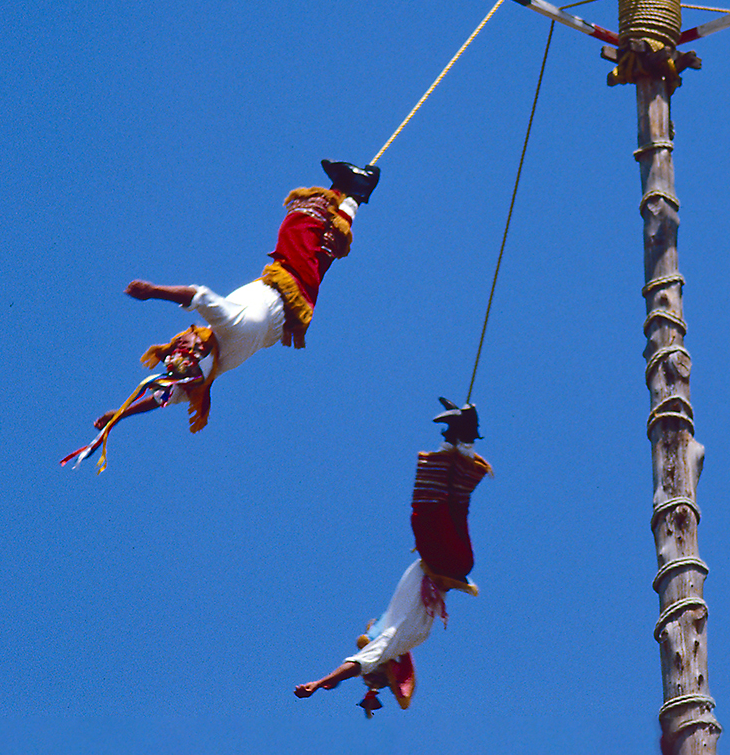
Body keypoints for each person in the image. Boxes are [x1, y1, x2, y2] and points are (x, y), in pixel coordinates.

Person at [61, 159, 379, 470]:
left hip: (295, 304)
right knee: (298, 224)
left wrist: (119, 415)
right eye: (183, 342)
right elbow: (196, 295)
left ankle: (353, 193)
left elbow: (160, 396)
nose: (184, 334)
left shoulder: (209, 371)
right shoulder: (225, 327)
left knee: (325, 245)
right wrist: (153, 291)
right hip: (287, 283)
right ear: (199, 349)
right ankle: (348, 187)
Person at [295, 400, 491, 715]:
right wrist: (322, 682)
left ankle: (462, 434)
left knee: (452, 503)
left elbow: (367, 646)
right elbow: (360, 662)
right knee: (428, 511)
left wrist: (338, 681)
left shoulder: (395, 628)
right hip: (445, 562)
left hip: (450, 562)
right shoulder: (394, 641)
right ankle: (460, 435)